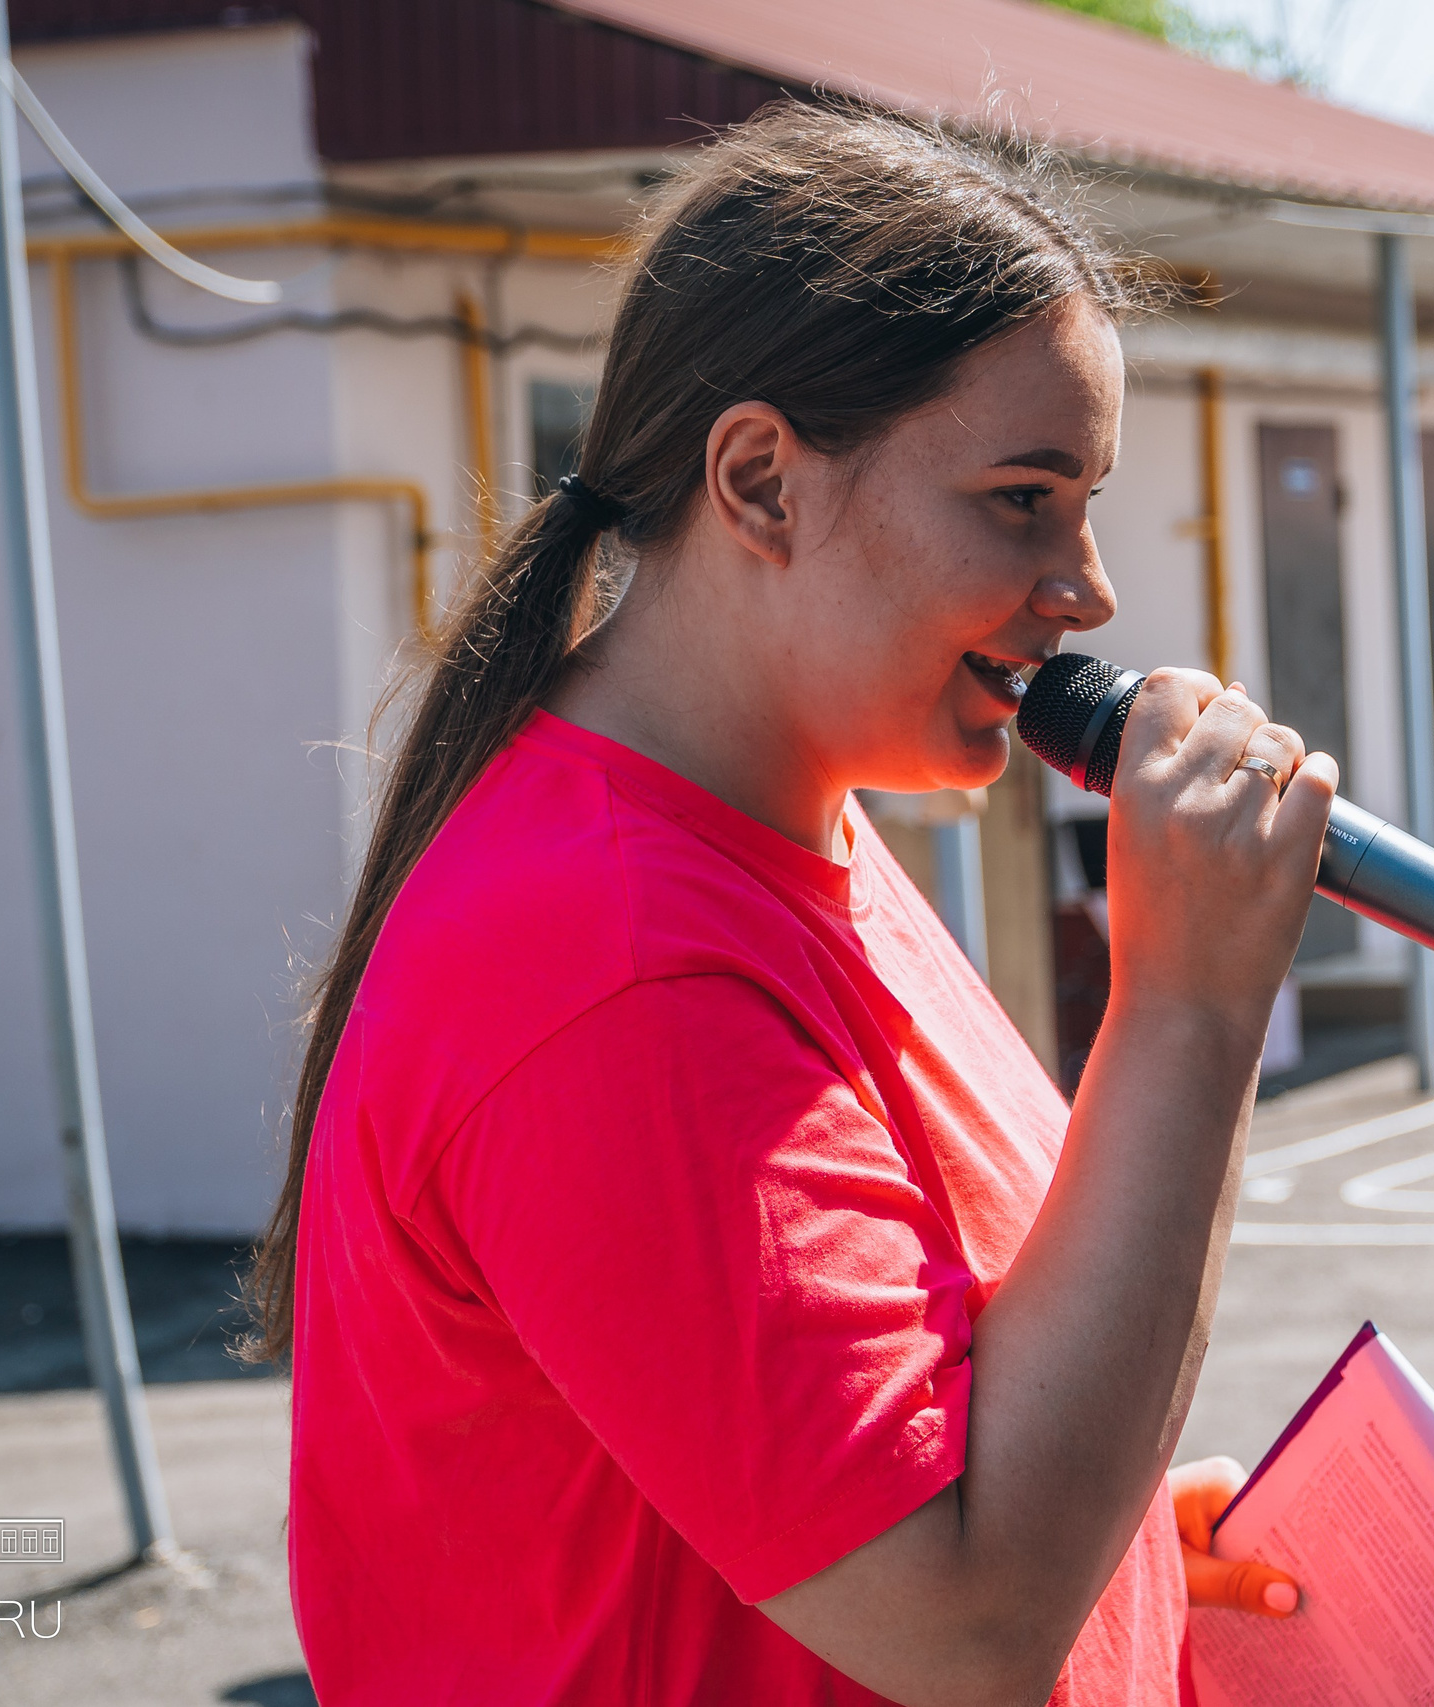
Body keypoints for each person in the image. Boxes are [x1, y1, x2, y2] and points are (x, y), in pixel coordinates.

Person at [243, 103, 1335, 1706]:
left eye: (1085, 500)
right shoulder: (613, 965)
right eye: (1023, 496)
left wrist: (1120, 1542)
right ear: (760, 482)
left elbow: (867, 1439)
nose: (1087, 587)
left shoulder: (793, 822)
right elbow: (957, 1622)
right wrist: (1189, 1006)